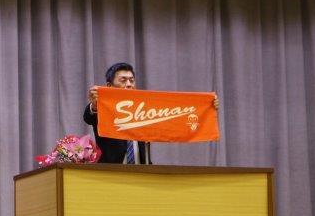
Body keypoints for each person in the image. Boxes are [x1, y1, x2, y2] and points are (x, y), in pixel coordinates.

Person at [83, 62, 219, 163]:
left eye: (131, 80)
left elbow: (175, 119)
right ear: (109, 86)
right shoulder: (103, 107)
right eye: (123, 80)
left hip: (142, 173)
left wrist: (207, 106)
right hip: (111, 173)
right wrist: (95, 104)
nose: (129, 84)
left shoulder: (145, 109)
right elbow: (89, 117)